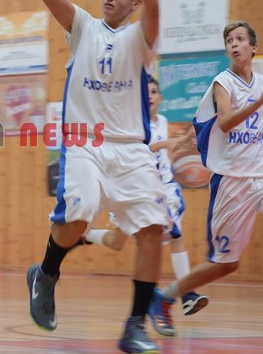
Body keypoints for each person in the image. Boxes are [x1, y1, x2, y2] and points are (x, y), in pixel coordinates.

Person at [27, 0, 168, 352]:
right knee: (78, 217)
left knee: (153, 230)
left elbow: (156, 5)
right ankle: (46, 274)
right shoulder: (83, 26)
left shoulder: (140, 37)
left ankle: (134, 326)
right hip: (84, 142)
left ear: (135, 2)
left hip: (130, 149)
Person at [148, 20, 263, 337]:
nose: (234, 44)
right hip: (231, 184)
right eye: (229, 41)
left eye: (240, 39)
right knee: (226, 264)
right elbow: (225, 122)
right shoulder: (222, 83)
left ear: (254, 47)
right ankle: (164, 297)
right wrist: (259, 101)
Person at [71, 77, 209, 331]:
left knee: (175, 236)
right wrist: (165, 144)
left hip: (162, 188)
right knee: (117, 241)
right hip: (133, 187)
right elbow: (140, 150)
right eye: (146, 93)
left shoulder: (163, 121)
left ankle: (185, 294)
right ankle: (85, 236)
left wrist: (183, 150)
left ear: (161, 98)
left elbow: (165, 153)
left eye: (154, 92)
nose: (151, 96)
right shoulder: (133, 124)